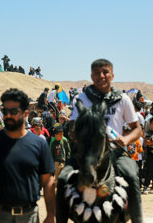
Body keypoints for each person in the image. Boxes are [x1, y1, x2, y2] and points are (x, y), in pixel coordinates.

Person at [59, 59, 143, 223]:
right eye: (97, 73)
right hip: (85, 152)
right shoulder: (81, 99)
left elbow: (138, 129)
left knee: (132, 175)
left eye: (105, 72)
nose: (101, 76)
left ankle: (138, 219)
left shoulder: (123, 99)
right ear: (91, 76)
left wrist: (126, 139)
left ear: (112, 75)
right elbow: (72, 126)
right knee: (63, 178)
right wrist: (76, 134)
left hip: (115, 151)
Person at [0, 88, 55, 223]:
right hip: (1, 216)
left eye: (14, 111)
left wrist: (51, 214)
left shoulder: (39, 144)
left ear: (25, 114)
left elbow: (48, 181)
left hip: (30, 216)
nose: (8, 115)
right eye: (5, 112)